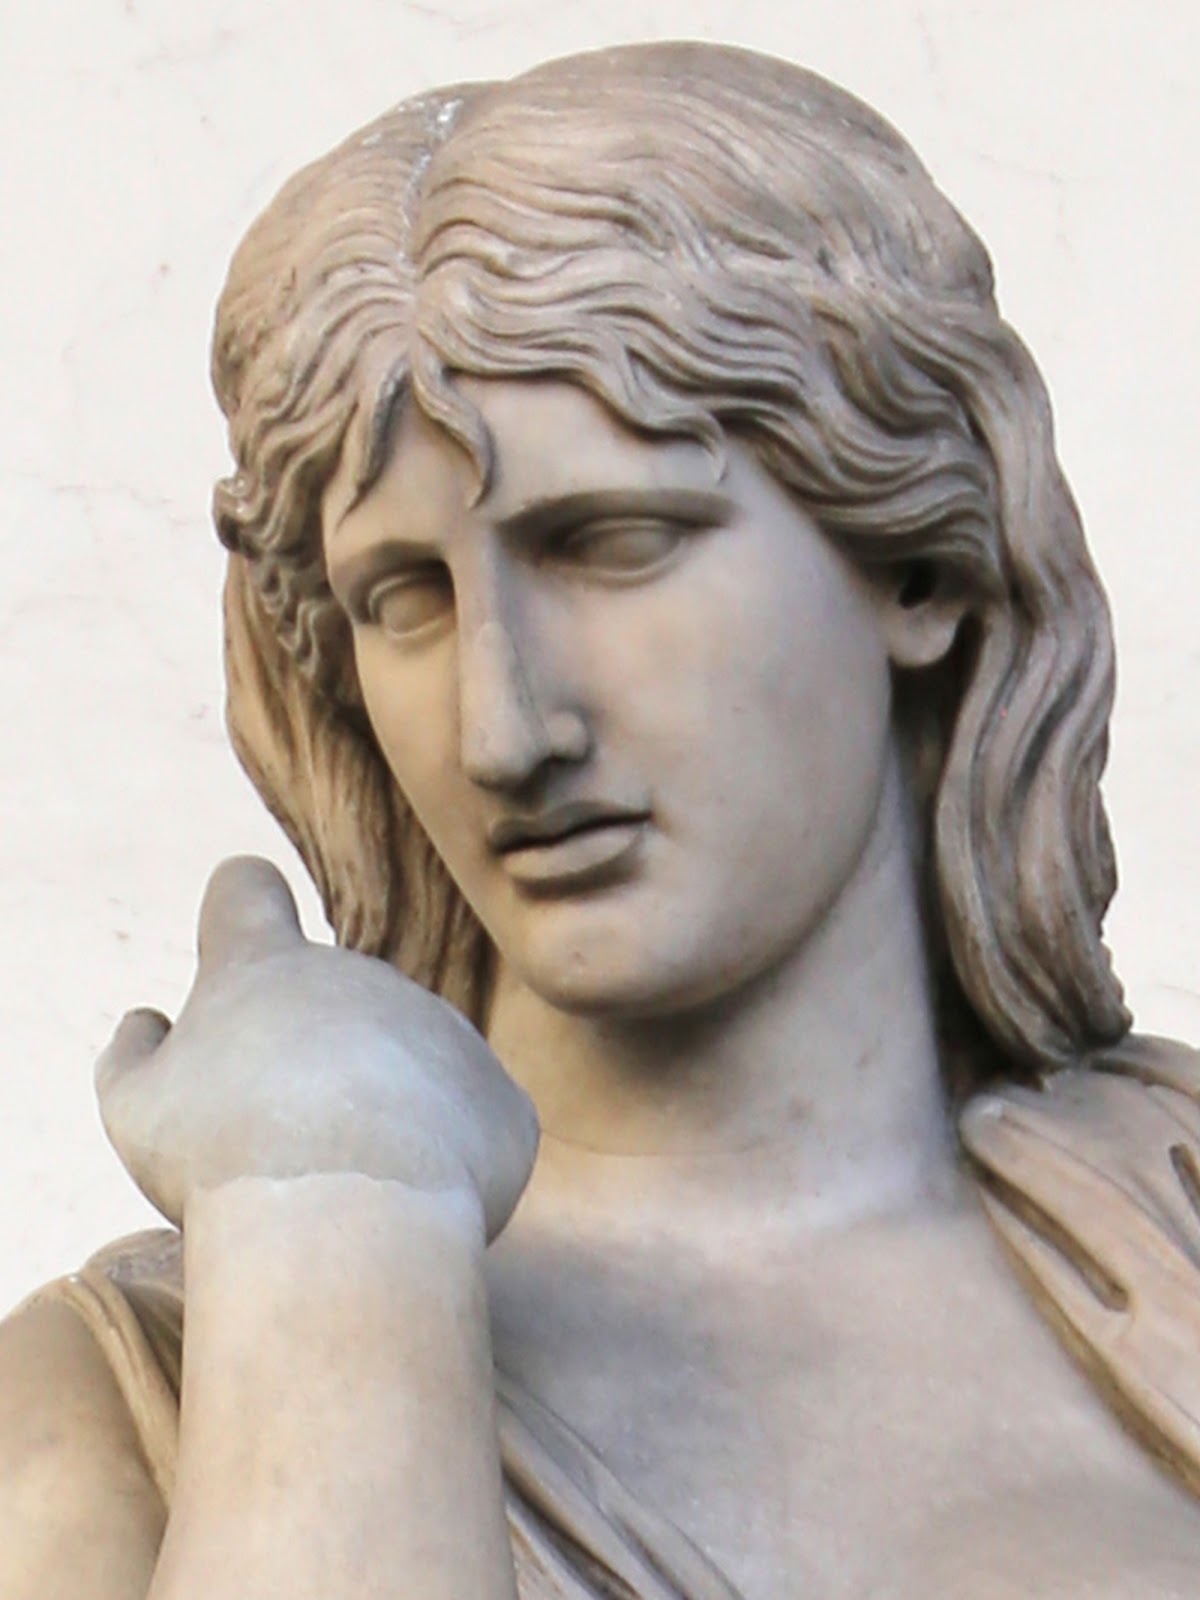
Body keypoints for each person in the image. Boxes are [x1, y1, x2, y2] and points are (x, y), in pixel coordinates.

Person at [5, 38, 1200, 1599]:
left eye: (614, 541)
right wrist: (336, 1226)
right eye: (405, 598)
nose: (508, 729)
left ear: (919, 560)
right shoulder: (114, 1406)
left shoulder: (1171, 1234)